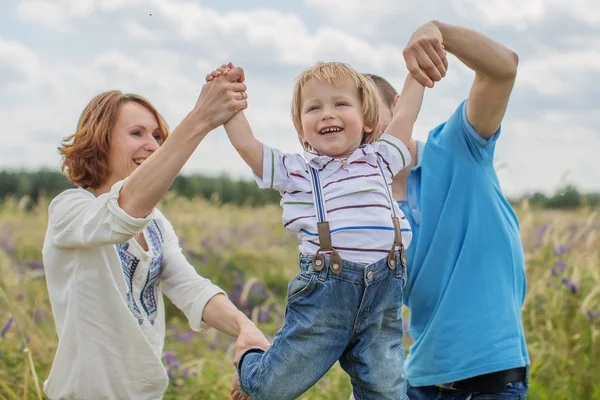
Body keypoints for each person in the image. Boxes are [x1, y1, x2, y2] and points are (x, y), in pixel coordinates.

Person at [42, 68, 269, 400]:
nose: (152, 146)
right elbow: (122, 214)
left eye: (158, 137)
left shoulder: (156, 224)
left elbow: (190, 288)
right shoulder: (69, 209)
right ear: (100, 141)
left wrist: (246, 329)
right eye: (136, 133)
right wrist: (202, 118)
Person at [207, 61, 426, 400]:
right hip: (326, 300)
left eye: (340, 104)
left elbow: (406, 114)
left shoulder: (381, 159)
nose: (327, 114)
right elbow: (248, 146)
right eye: (314, 108)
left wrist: (417, 72)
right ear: (302, 128)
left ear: (368, 120)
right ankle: (249, 360)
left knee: (388, 393)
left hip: (382, 299)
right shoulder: (297, 172)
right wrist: (230, 99)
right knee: (271, 389)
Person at [359, 20, 529, 400]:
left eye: (372, 113)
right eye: (356, 121)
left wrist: (438, 31)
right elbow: (365, 320)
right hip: (417, 382)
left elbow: (503, 70)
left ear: (399, 106)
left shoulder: (457, 145)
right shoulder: (367, 215)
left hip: (492, 380)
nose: (367, 129)